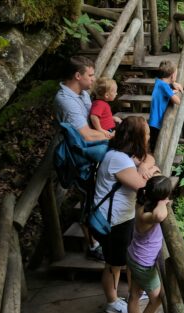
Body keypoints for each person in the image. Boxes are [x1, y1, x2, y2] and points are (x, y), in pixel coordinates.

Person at [92, 116, 159, 313]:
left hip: (122, 217)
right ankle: (112, 301)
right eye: (146, 133)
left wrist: (145, 166)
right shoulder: (118, 159)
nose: (149, 136)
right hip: (112, 221)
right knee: (113, 264)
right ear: (137, 136)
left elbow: (149, 157)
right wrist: (151, 171)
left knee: (123, 259)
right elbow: (144, 187)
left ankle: (133, 291)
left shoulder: (124, 154)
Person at [54, 56, 110, 260]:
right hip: (80, 159)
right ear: (78, 76)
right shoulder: (65, 100)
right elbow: (84, 135)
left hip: (93, 153)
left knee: (97, 196)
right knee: (90, 199)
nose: (94, 79)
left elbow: (93, 123)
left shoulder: (82, 94)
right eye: (90, 75)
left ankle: (102, 235)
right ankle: (93, 245)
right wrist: (112, 137)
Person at [126, 176, 172, 313]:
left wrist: (159, 199)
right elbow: (160, 215)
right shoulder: (150, 216)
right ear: (160, 196)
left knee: (134, 295)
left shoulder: (141, 203)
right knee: (157, 300)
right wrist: (163, 202)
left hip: (133, 255)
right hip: (143, 264)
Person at [148, 60, 184, 152]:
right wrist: (174, 91)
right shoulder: (164, 86)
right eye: (176, 73)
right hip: (157, 122)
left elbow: (166, 87)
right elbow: (178, 101)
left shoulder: (158, 81)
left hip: (153, 120)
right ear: (172, 75)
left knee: (153, 143)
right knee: (155, 147)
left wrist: (173, 84)